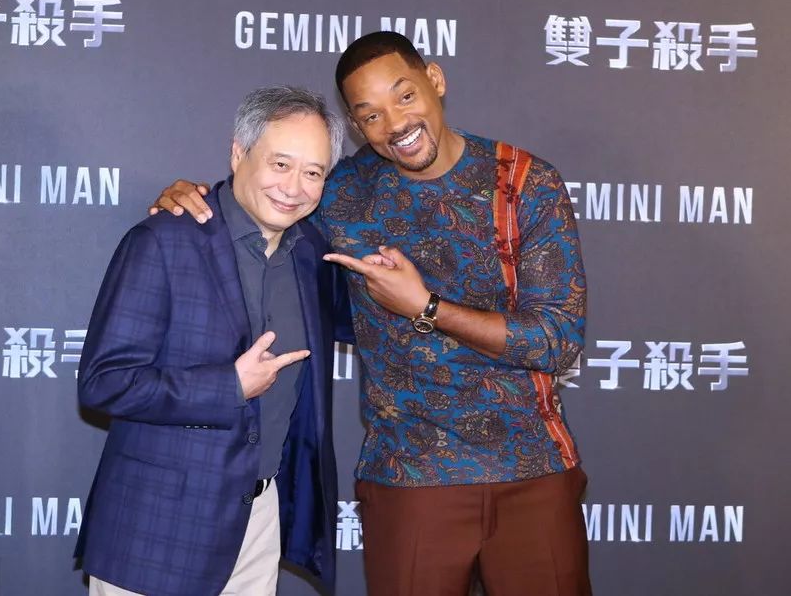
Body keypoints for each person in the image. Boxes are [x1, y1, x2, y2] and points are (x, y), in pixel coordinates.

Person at [152, 32, 591, 596]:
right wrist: (195, 197)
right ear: (357, 126)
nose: (396, 124)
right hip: (408, 476)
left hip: (534, 472)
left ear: (435, 80)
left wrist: (426, 308)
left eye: (405, 96)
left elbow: (557, 340)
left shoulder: (524, 182)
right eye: (371, 115)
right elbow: (261, 208)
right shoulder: (342, 191)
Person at [75, 86, 352, 596]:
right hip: (156, 529)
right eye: (280, 164)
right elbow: (103, 382)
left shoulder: (311, 253)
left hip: (258, 521)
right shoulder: (164, 241)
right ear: (238, 154)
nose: (294, 187)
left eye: (313, 173)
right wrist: (229, 386)